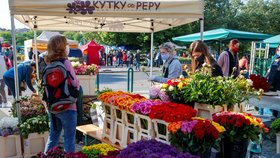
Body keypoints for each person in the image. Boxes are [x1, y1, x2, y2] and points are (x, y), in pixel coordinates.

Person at [44, 35, 79, 153]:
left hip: (53, 106)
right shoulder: (66, 62)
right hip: (68, 106)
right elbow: (74, 83)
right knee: (69, 139)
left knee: (53, 136)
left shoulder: (49, 63)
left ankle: (46, 156)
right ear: (62, 47)